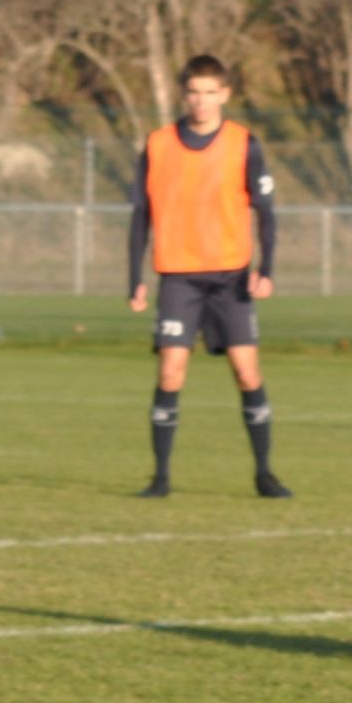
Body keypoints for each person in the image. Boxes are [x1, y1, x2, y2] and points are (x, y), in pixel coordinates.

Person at [127, 54, 290, 499]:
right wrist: (134, 276)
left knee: (246, 370)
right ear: (184, 95)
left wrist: (267, 268)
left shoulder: (244, 143)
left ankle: (264, 473)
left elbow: (266, 212)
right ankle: (160, 478)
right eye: (193, 92)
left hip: (231, 277)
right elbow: (141, 214)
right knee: (171, 371)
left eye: (210, 92)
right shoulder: (159, 144)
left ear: (225, 95)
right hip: (178, 276)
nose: (201, 101)